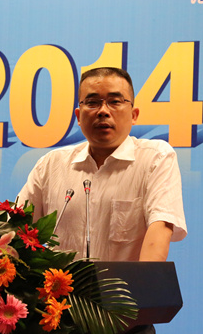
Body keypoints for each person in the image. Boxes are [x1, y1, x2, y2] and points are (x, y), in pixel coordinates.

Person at [17, 67, 187, 262]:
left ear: (134, 115)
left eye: (115, 102)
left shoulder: (155, 158)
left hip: (126, 283)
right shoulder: (50, 165)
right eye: (92, 103)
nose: (103, 111)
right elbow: (16, 230)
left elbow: (160, 228)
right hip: (59, 282)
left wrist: (144, 280)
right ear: (78, 116)